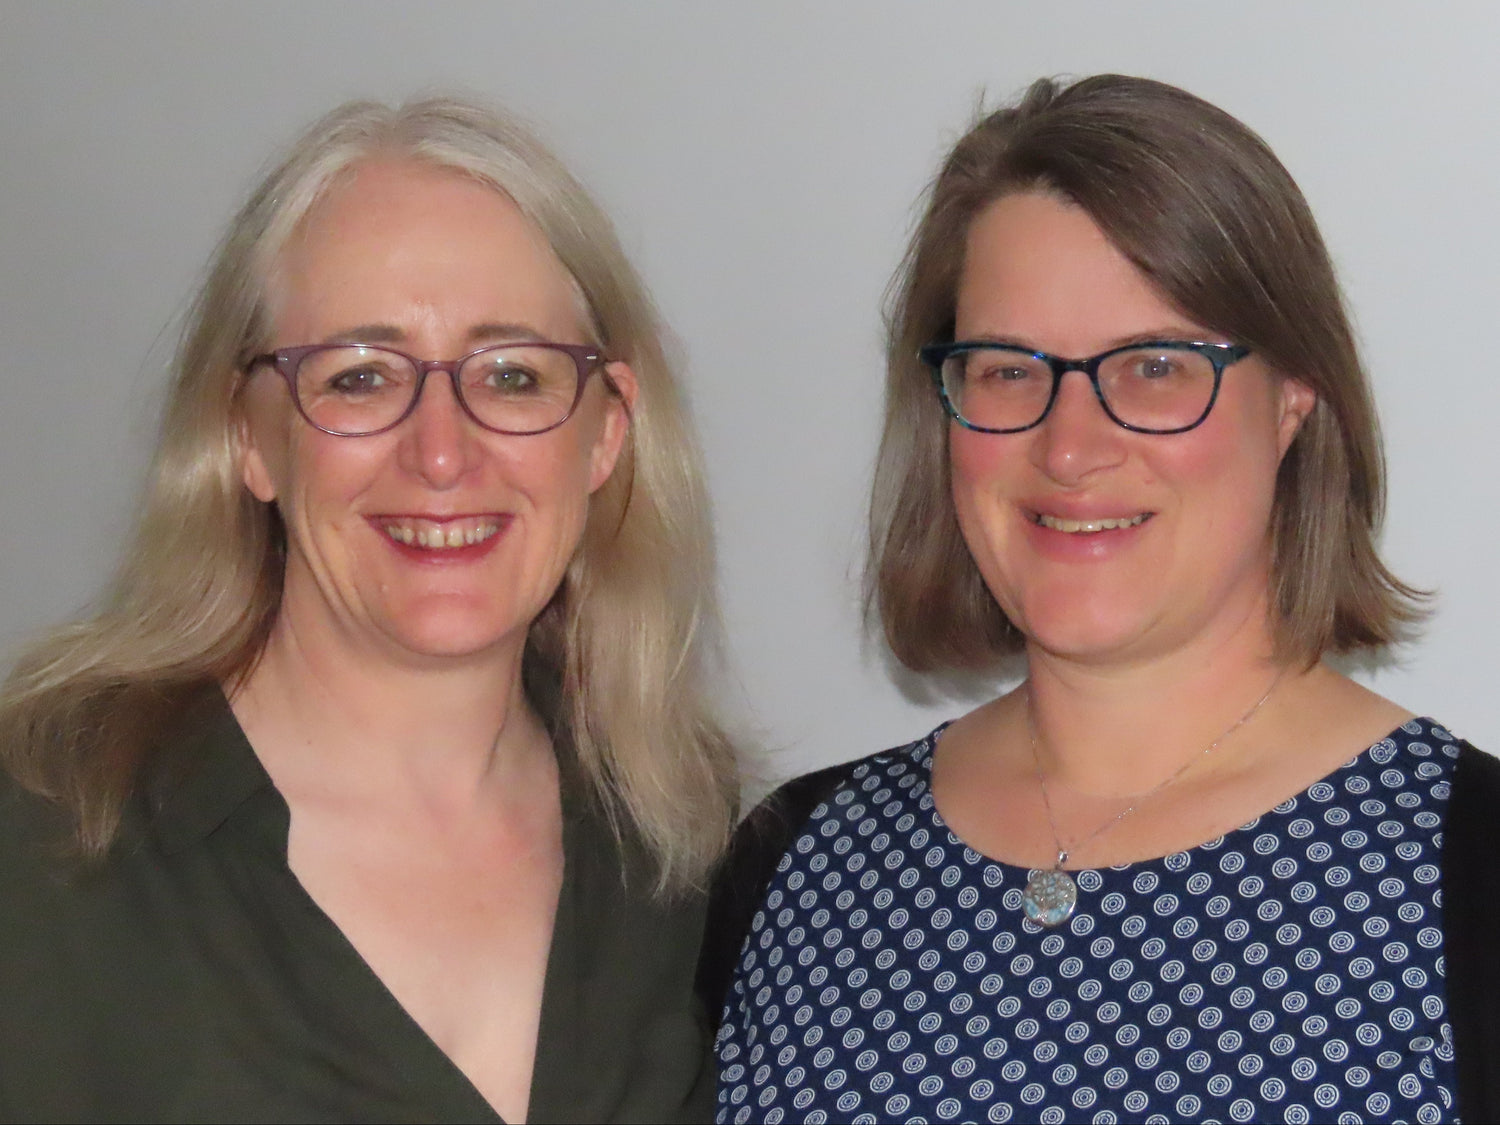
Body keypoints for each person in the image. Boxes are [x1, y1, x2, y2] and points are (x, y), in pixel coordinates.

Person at [711, 75, 1498, 1124]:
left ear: (1295, 398)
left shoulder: (1474, 868)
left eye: (1157, 367)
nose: (1071, 446)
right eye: (1005, 370)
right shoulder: (793, 862)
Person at [0, 96, 739, 1122]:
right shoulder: (42, 838)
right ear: (246, 438)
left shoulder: (692, 856)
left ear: (606, 433)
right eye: (358, 376)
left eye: (514, 374)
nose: (441, 453)